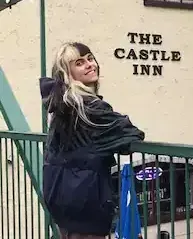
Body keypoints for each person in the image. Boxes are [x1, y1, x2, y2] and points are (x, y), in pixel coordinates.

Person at [39, 42, 145, 239]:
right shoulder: (90, 108)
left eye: (90, 58)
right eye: (79, 63)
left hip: (58, 192)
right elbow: (130, 132)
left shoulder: (62, 104)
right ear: (67, 74)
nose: (90, 64)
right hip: (85, 198)